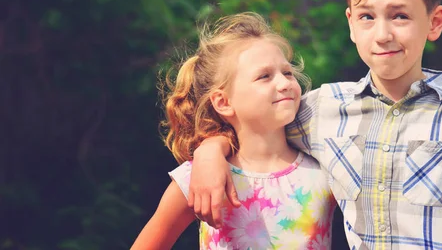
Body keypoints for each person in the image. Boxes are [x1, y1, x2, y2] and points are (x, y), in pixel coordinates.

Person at [189, 0, 442, 249]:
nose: (383, 34)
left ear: (435, 22)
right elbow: (252, 124)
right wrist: (209, 152)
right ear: (351, 24)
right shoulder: (319, 110)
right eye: (367, 17)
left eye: (400, 16)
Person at [131, 13, 337, 249]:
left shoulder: (326, 170)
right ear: (224, 102)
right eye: (264, 76)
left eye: (287, 72)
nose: (284, 83)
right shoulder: (199, 177)